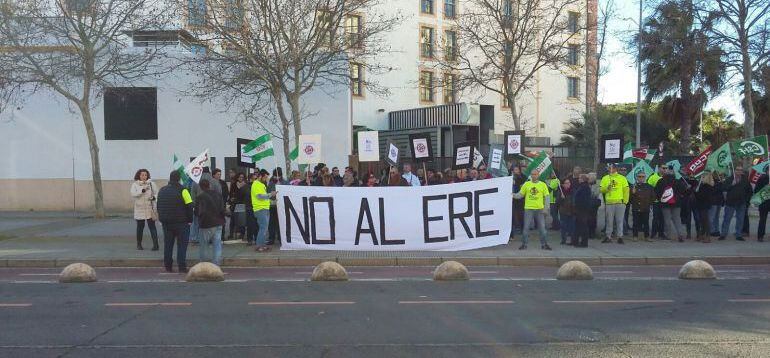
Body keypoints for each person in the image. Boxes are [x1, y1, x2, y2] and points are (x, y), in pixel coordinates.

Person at [156, 171, 193, 272]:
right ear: (179, 179)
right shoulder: (184, 190)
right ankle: (181, 267)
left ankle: (168, 266)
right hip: (181, 223)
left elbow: (158, 205)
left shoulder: (162, 190)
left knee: (168, 245)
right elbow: (190, 205)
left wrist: (161, 218)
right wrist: (190, 220)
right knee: (181, 246)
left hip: (166, 223)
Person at [513, 169, 552, 250]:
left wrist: (546, 208)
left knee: (542, 229)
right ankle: (524, 244)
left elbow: (547, 197)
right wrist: (512, 195)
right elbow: (520, 195)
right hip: (528, 209)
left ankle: (544, 244)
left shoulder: (543, 185)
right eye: (532, 174)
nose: (533, 176)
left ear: (538, 175)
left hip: (540, 210)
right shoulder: (526, 184)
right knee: (526, 228)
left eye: (535, 174)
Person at [195, 179, 225, 266]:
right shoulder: (218, 195)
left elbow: (198, 212)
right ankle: (216, 264)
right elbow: (222, 209)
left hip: (206, 223)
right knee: (217, 245)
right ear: (209, 185)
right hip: (218, 222)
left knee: (204, 246)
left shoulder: (200, 197)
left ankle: (203, 265)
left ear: (200, 187)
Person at [656, 165, 688, 242]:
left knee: (667, 220)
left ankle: (668, 235)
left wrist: (660, 199)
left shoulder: (661, 181)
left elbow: (657, 192)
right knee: (677, 219)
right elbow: (683, 190)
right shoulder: (677, 181)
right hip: (676, 203)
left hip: (665, 203)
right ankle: (680, 234)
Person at [720, 166, 753, 241]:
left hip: (741, 203)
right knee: (727, 219)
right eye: (737, 170)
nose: (739, 171)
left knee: (740, 219)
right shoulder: (729, 179)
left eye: (741, 170)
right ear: (734, 171)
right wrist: (732, 184)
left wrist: (746, 200)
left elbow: (750, 191)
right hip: (730, 202)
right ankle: (723, 234)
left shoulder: (745, 180)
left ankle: (738, 234)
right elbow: (723, 188)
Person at [190, 167, 221, 244]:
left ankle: (196, 238)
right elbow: (220, 194)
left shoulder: (195, 182)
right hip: (213, 207)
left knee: (197, 223)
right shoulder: (215, 181)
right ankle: (211, 238)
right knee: (211, 224)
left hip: (200, 206)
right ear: (209, 172)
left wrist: (194, 206)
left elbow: (193, 196)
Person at [130, 169, 159, 251]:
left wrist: (154, 197)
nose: (144, 177)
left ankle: (156, 245)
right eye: (142, 175)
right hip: (140, 209)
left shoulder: (151, 184)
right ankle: (139, 244)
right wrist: (142, 190)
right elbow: (133, 194)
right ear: (139, 175)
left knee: (152, 227)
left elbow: (157, 193)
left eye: (145, 175)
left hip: (150, 208)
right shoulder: (135, 184)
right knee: (140, 227)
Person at [600, 164, 630, 244]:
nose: (610, 169)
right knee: (609, 221)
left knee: (619, 220)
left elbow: (626, 190)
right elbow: (601, 189)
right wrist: (606, 189)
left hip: (620, 202)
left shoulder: (622, 178)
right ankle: (608, 236)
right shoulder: (605, 178)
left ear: (615, 169)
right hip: (609, 202)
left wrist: (625, 202)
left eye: (611, 168)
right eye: (609, 168)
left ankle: (620, 237)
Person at [252, 169, 274, 252]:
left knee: (264, 228)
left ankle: (262, 245)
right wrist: (270, 194)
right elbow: (260, 196)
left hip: (264, 208)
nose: (266, 179)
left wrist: (272, 201)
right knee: (263, 228)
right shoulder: (256, 184)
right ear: (260, 176)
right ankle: (259, 246)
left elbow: (264, 197)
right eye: (265, 177)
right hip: (260, 209)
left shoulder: (261, 184)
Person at [630, 172, 655, 241]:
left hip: (645, 207)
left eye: (642, 176)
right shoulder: (633, 186)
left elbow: (653, 197)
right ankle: (635, 236)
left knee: (646, 223)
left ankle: (647, 236)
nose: (641, 178)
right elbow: (629, 198)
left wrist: (649, 204)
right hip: (636, 207)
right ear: (637, 177)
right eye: (639, 176)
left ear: (645, 177)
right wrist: (632, 193)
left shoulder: (649, 186)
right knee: (635, 223)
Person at [695, 171, 716, 243]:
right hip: (700, 204)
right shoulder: (701, 185)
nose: (702, 177)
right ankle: (702, 234)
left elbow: (704, 196)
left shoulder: (708, 186)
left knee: (705, 220)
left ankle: (707, 236)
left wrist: (697, 192)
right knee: (702, 220)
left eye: (704, 176)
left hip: (705, 205)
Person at [573, 174, 593, 247]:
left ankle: (584, 242)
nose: (578, 179)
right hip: (580, 209)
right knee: (578, 225)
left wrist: (578, 206)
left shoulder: (585, 187)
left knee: (583, 226)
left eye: (580, 178)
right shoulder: (582, 186)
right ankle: (575, 241)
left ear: (582, 179)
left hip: (582, 210)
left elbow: (584, 199)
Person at [267, 168, 285, 245]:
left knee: (281, 223)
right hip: (272, 207)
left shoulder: (285, 182)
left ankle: (281, 238)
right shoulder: (271, 183)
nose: (276, 178)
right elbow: (267, 194)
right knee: (271, 223)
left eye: (278, 176)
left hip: (282, 207)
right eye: (275, 176)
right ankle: (271, 238)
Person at [648, 165, 666, 239]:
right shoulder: (653, 177)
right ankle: (653, 233)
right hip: (656, 201)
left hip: (665, 201)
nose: (665, 169)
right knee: (655, 217)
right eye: (663, 168)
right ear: (659, 168)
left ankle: (661, 234)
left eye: (666, 168)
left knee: (663, 218)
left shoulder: (667, 177)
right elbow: (648, 188)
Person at [228, 172, 247, 240]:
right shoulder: (234, 184)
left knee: (241, 220)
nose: (241, 178)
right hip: (234, 204)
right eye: (239, 177)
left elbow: (245, 195)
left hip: (242, 204)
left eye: (242, 177)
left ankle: (242, 234)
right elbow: (230, 193)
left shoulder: (245, 185)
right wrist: (231, 198)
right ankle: (231, 234)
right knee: (232, 219)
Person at [556, 178, 575, 245]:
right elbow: (557, 202)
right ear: (563, 185)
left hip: (571, 211)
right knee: (563, 226)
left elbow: (574, 201)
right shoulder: (560, 191)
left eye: (569, 183)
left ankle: (572, 240)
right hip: (563, 211)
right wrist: (561, 198)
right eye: (566, 183)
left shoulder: (573, 191)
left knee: (571, 227)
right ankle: (563, 239)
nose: (568, 184)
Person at [213, 169, 229, 241]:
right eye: (218, 174)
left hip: (222, 204)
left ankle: (222, 235)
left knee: (222, 220)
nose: (219, 175)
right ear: (214, 175)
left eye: (220, 174)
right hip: (213, 205)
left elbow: (226, 193)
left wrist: (224, 201)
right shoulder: (211, 182)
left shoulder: (222, 183)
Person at [242, 173, 258, 244]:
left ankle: (257, 238)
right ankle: (250, 239)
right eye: (254, 178)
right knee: (250, 224)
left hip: (256, 206)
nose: (255, 180)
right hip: (249, 207)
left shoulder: (257, 185)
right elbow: (244, 194)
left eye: (256, 178)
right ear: (250, 179)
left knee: (256, 224)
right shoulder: (246, 186)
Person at [709, 172, 726, 237]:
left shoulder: (720, 182)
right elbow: (713, 190)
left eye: (721, 175)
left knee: (716, 217)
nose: (721, 176)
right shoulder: (712, 181)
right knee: (712, 217)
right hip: (713, 201)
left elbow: (722, 192)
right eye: (720, 175)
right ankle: (711, 230)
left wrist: (723, 201)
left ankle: (717, 230)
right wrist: (720, 184)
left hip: (719, 201)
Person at [755, 169, 770, 242]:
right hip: (764, 203)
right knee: (762, 220)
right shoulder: (761, 179)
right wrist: (766, 188)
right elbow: (756, 191)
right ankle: (760, 236)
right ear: (766, 171)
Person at [511, 166, 526, 237]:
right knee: (514, 215)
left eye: (517, 169)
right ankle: (516, 228)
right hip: (512, 199)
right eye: (514, 170)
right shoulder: (510, 177)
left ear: (519, 170)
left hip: (521, 199)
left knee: (521, 215)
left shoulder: (523, 177)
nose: (515, 171)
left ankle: (523, 228)